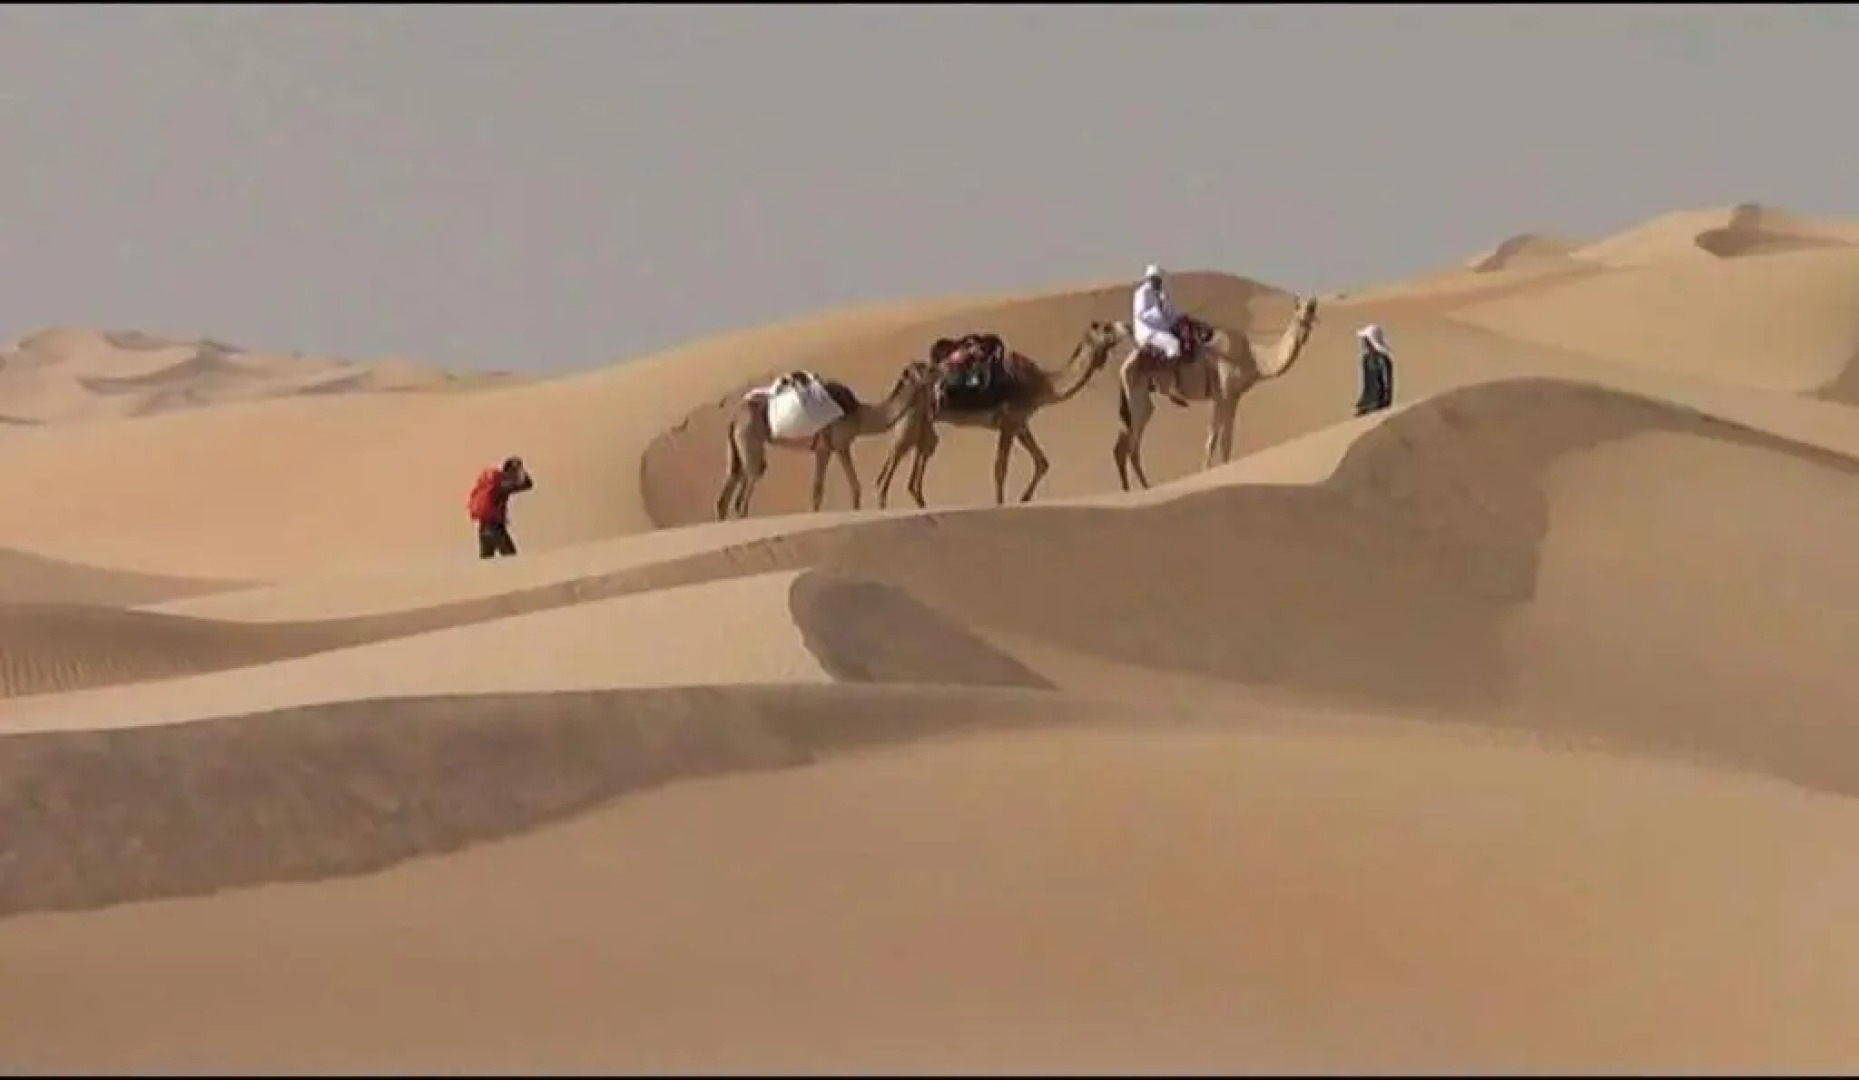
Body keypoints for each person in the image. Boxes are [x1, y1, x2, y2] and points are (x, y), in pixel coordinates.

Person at [1133, 264, 1192, 403]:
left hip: (1160, 328)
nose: (1158, 282)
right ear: (1150, 279)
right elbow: (1142, 314)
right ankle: (1170, 385)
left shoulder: (1159, 294)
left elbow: (1170, 312)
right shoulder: (1142, 293)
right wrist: (1159, 311)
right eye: (1155, 279)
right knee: (1174, 345)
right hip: (1148, 331)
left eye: (1159, 280)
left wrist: (1180, 316)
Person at [472, 455, 535, 559]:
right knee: (511, 558)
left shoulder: (495, 483)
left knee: (486, 560)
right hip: (495, 528)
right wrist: (521, 470)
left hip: (483, 528)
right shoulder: (504, 484)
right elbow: (527, 484)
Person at [1355, 324, 1395, 416]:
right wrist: (1363, 400)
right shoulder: (1366, 359)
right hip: (1367, 402)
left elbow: (1387, 385)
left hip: (1378, 403)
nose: (1364, 343)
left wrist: (1385, 404)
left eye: (1366, 340)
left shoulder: (1382, 360)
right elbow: (1367, 383)